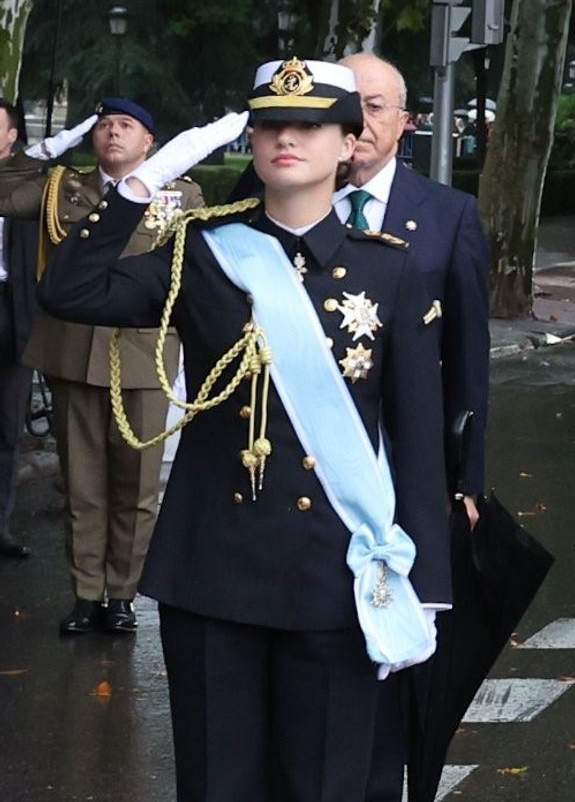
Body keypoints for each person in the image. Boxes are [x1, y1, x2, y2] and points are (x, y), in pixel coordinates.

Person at [39, 58, 452, 802]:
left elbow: (419, 440)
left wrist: (424, 586)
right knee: (216, 782)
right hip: (213, 569)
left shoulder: (391, 273)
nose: (285, 138)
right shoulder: (202, 252)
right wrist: (138, 188)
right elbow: (71, 290)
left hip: (333, 571)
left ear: (347, 143)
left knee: (323, 783)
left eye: (309, 124)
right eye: (269, 125)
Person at [336, 53, 493, 802]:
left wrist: (468, 484)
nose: (358, 123)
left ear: (405, 122)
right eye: (343, 105)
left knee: (398, 655)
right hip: (319, 469)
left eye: (373, 106)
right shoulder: (286, 204)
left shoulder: (447, 215)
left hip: (409, 472)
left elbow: (469, 361)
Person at [0, 99, 204, 634]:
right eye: (104, 125)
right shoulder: (62, 188)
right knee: (82, 485)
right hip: (71, 349)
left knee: (135, 488)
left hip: (141, 352)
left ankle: (122, 595)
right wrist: (40, 151)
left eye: (126, 125)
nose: (113, 132)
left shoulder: (181, 195)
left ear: (149, 143)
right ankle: (86, 593)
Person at [0, 100, 37, 560]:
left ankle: (0, 525)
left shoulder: (36, 182)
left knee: (7, 426)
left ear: (12, 137)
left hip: (14, 309)